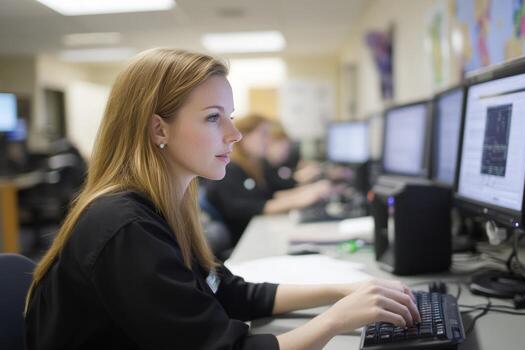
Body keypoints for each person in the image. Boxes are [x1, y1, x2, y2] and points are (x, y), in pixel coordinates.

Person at [24, 48, 420, 350]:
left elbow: (230, 293)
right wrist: (335, 321)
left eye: (230, 116)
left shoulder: (164, 206)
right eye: (214, 117)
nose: (235, 134)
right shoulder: (125, 226)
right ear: (158, 128)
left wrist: (342, 290)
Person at [206, 114, 333, 244]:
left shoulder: (255, 165)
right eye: (263, 134)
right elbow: (249, 208)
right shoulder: (229, 169)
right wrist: (301, 199)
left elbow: (272, 193)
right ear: (243, 136)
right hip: (244, 240)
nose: (268, 140)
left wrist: (307, 194)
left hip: (258, 233)